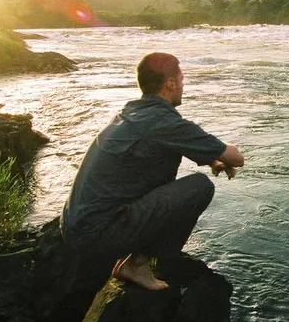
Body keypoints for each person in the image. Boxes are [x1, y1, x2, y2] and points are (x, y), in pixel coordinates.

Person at [60, 52, 244, 290]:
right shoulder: (164, 122)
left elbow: (170, 145)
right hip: (97, 235)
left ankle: (133, 261)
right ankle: (138, 264)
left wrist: (213, 160)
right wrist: (222, 157)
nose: (183, 86)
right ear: (171, 83)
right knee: (200, 187)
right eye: (182, 80)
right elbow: (236, 158)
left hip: (74, 228)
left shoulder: (131, 113)